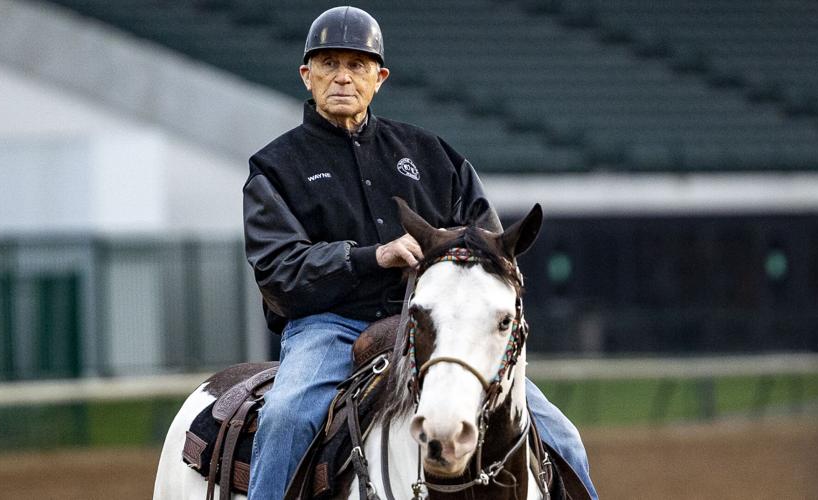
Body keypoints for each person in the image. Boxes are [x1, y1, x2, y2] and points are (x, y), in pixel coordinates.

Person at [243, 6, 598, 499]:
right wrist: (372, 257)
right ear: (307, 74)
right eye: (328, 64)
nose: (343, 77)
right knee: (286, 418)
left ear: (379, 77)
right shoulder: (275, 168)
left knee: (564, 437)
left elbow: (489, 249)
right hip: (328, 327)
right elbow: (277, 270)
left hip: (438, 329)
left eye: (358, 65)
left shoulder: (433, 155)